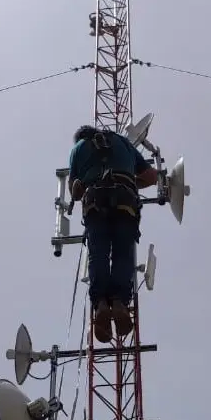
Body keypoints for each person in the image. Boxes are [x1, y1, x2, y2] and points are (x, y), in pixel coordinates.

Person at [68, 125, 158, 343]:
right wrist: (129, 181)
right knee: (122, 253)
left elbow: (75, 189)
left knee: (98, 253)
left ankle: (100, 304)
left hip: (95, 201)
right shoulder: (122, 142)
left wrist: (80, 187)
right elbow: (152, 176)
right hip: (125, 200)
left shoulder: (78, 148)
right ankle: (119, 301)